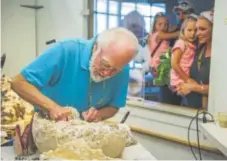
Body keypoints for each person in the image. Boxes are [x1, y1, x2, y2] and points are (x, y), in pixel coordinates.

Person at [11, 27, 139, 122]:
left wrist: (98, 115)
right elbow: (18, 83)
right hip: (45, 127)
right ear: (96, 47)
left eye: (115, 70)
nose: (107, 73)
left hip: (82, 134)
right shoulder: (65, 50)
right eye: (105, 65)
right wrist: (52, 107)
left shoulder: (123, 69)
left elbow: (113, 106)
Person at [176, 10, 214, 109]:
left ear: (214, 29)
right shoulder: (199, 49)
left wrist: (192, 87)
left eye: (202, 29)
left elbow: (221, 90)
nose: (197, 34)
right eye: (197, 29)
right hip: (188, 109)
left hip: (207, 115)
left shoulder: (221, 55)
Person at [147, 12, 180, 105]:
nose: (163, 26)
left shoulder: (152, 35)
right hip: (160, 64)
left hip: (155, 64)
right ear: (154, 25)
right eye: (160, 24)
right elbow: (175, 35)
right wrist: (183, 29)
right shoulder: (159, 34)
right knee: (168, 90)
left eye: (166, 24)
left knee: (165, 88)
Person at [170, 16, 197, 91]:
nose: (193, 33)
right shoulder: (181, 43)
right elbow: (174, 64)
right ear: (183, 31)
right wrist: (187, 79)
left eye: (195, 30)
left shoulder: (193, 45)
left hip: (186, 78)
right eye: (189, 30)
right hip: (179, 80)